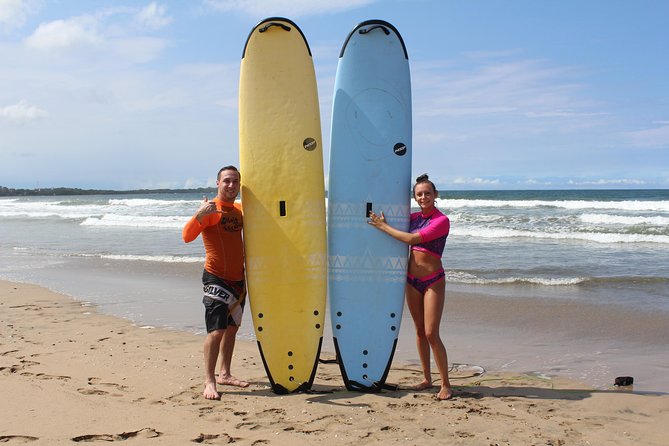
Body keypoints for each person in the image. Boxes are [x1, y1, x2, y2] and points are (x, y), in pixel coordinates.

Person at [367, 174, 454, 400]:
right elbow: (399, 224)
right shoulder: (413, 217)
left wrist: (383, 226)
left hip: (433, 280)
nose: (423, 197)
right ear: (414, 197)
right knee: (418, 331)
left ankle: (445, 383)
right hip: (412, 281)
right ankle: (427, 378)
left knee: (431, 333)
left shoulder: (441, 220)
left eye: (427, 193)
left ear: (435, 195)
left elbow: (411, 240)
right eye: (419, 194)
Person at [182, 166, 250, 400]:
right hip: (216, 277)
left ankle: (225, 374)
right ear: (218, 183)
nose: (231, 186)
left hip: (238, 279)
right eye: (227, 181)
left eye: (235, 181)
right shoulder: (210, 209)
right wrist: (199, 215)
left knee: (232, 329)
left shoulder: (240, 210)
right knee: (216, 331)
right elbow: (186, 237)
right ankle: (209, 381)